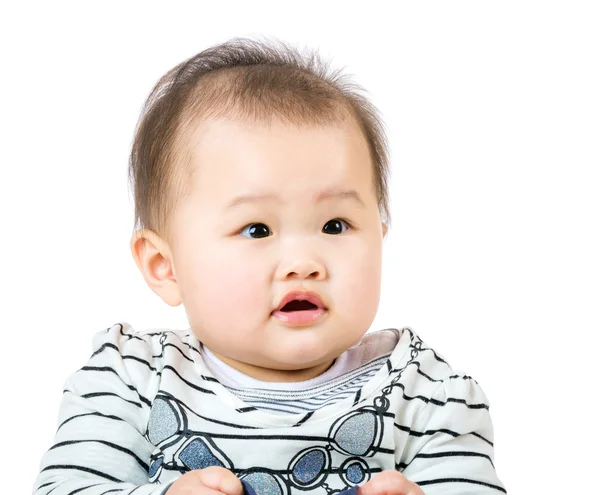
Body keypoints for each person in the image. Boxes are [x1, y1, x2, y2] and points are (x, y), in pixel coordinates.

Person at [32, 38, 505, 495]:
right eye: (257, 229)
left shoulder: (429, 396)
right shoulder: (131, 380)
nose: (304, 263)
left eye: (336, 225)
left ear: (380, 238)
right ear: (165, 266)